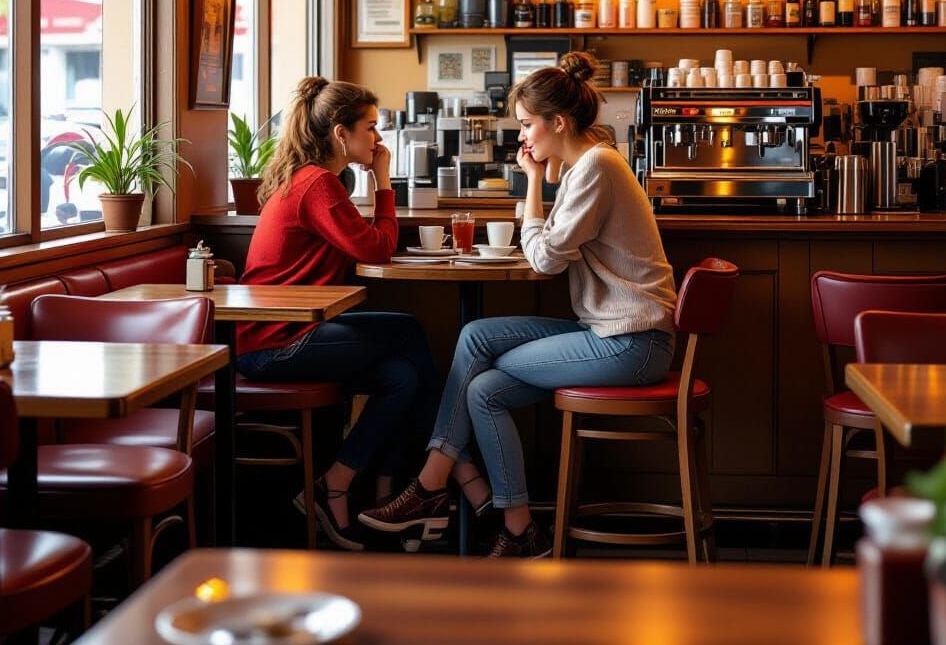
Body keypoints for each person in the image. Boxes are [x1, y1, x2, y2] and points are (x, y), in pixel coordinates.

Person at [360, 52, 677, 558]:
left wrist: (531, 183)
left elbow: (545, 258)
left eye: (528, 124)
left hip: (633, 343)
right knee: (479, 364)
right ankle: (518, 530)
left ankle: (430, 485)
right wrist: (537, 177)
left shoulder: (597, 167)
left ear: (559, 122)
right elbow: (552, 233)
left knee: (480, 367)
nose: (523, 135)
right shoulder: (588, 163)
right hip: (610, 332)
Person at [236, 77, 440, 551]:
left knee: (403, 378)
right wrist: (384, 181)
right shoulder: (318, 184)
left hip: (285, 334)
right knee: (409, 331)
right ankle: (431, 480)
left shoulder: (314, 179)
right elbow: (378, 248)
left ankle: (345, 487)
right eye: (370, 127)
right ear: (340, 133)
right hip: (275, 342)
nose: (378, 137)